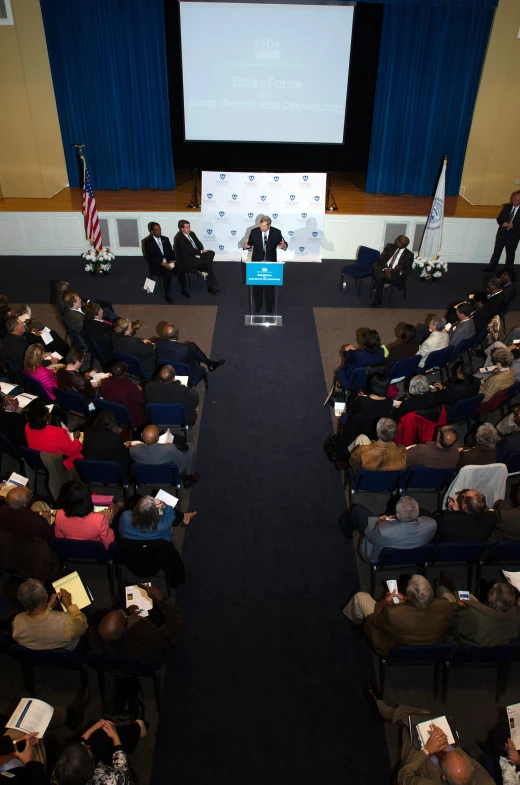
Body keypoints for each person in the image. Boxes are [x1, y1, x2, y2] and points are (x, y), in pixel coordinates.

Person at [364, 686, 495, 785]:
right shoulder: (488, 782)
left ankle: (384, 712)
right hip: (443, 752)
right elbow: (476, 765)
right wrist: (448, 747)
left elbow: (403, 776)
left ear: (443, 778)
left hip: (421, 763)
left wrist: (427, 750)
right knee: (423, 718)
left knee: (415, 724)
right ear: (470, 769)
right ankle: (384, 713)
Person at [342, 575, 452, 655]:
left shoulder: (393, 613)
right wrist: (405, 600)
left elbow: (375, 618)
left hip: (395, 649)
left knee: (360, 597)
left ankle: (355, 622)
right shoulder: (445, 604)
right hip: (431, 646)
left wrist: (384, 601)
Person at [87, 584, 184, 661]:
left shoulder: (103, 640)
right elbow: (177, 624)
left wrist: (127, 612)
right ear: (123, 630)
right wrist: (160, 601)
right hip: (155, 651)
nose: (121, 611)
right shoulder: (145, 635)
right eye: (122, 616)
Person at [339, 496, 436, 564]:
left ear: (397, 515)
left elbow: (370, 531)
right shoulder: (431, 524)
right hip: (413, 555)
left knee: (357, 510)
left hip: (381, 557)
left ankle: (345, 529)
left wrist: (380, 519)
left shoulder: (383, 530)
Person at [52, 718, 146, 785]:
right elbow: (122, 772)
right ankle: (138, 729)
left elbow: (80, 743)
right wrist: (115, 737)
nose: (86, 746)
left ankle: (137, 730)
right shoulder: (111, 781)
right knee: (105, 740)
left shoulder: (59, 775)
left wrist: (94, 727)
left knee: (98, 735)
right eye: (87, 749)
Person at [435, 574, 520, 647]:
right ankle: (454, 588)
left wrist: (457, 606)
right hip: (492, 648)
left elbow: (450, 622)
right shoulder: (516, 617)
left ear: (490, 598)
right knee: (469, 596)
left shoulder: (472, 615)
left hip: (462, 646)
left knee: (446, 596)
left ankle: (441, 587)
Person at [12, 578, 88, 651]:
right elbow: (83, 625)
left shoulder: (17, 622)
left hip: (37, 657)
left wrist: (48, 607)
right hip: (68, 652)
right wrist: (68, 604)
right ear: (43, 595)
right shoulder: (65, 622)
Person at [336, 374, 394, 456]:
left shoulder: (362, 401)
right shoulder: (389, 403)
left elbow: (350, 412)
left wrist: (357, 399)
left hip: (356, 430)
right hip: (375, 435)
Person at [54, 480, 121, 549]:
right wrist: (108, 522)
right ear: (88, 498)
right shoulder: (100, 519)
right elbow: (109, 545)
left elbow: (60, 539)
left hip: (71, 551)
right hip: (95, 553)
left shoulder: (59, 514)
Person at [129, 424, 199, 488]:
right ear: (158, 438)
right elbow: (180, 461)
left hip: (146, 474)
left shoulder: (132, 450)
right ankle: (188, 478)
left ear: (141, 435)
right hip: (170, 475)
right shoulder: (170, 448)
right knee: (190, 447)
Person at [243, 215, 287, 314]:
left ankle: (269, 307)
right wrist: (246, 246)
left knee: (269, 286)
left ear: (269, 226)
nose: (262, 228)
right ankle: (257, 306)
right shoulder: (254, 232)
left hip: (271, 262)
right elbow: (249, 245)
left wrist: (283, 245)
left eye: (264, 226)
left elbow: (284, 244)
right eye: (261, 225)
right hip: (257, 262)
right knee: (257, 286)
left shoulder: (276, 232)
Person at [24, 399, 83, 470]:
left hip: (40, 460)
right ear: (45, 417)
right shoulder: (58, 433)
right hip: (58, 462)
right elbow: (72, 449)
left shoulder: (27, 426)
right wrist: (76, 438)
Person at [119, 494, 196, 543]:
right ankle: (184, 517)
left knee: (135, 498)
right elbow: (171, 514)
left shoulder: (124, 516)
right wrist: (164, 506)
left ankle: (184, 517)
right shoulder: (161, 526)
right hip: (160, 545)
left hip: (135, 546)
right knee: (169, 514)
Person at [155, 323, 225, 377]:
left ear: (164, 335)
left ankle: (209, 363)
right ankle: (209, 363)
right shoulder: (185, 349)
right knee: (192, 346)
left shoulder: (158, 342)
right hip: (186, 372)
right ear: (177, 334)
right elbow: (195, 357)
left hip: (165, 370)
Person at [174, 219, 220, 295]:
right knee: (206, 265)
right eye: (187, 227)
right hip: (188, 259)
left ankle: (203, 267)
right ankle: (210, 286)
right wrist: (201, 252)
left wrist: (201, 249)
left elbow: (198, 243)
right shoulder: (179, 238)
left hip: (197, 255)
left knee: (211, 253)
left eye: (189, 227)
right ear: (182, 229)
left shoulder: (192, 234)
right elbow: (189, 250)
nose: (189, 229)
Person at [99, 361, 146, 428]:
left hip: (112, 412)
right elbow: (142, 400)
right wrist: (141, 391)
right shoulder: (130, 387)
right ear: (124, 373)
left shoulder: (104, 382)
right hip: (130, 416)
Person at [371, 235, 414, 307]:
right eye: (397, 240)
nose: (396, 242)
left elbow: (409, 270)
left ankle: (378, 299)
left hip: (395, 273)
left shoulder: (409, 255)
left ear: (405, 245)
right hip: (385, 269)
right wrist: (385, 269)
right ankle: (383, 277)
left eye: (399, 242)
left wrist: (400, 270)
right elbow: (382, 259)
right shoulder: (391, 247)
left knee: (378, 279)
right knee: (374, 263)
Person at [482, 190, 520, 271]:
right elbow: (499, 219)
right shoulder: (507, 207)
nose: (514, 201)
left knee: (510, 254)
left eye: (517, 200)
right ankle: (491, 267)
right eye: (514, 199)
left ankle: (508, 271)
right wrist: (503, 223)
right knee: (496, 252)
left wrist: (514, 226)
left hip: (513, 236)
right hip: (502, 234)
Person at [143, 221, 176, 303]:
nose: (159, 231)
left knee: (181, 266)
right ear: (152, 231)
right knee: (167, 273)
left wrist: (171, 260)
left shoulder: (165, 239)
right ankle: (167, 294)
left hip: (168, 262)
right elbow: (150, 257)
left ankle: (184, 289)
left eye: (160, 229)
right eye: (156, 230)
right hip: (157, 265)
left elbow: (171, 252)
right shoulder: (148, 242)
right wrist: (164, 264)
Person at [82, 301, 113, 366]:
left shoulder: (86, 320)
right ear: (96, 316)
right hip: (108, 350)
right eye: (101, 310)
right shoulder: (103, 331)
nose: (102, 311)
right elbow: (111, 340)